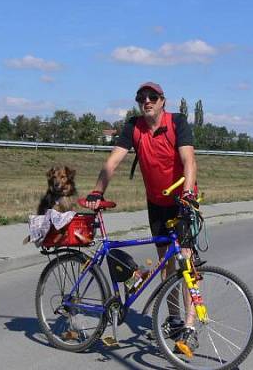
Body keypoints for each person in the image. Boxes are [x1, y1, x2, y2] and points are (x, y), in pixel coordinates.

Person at [84, 81, 199, 349]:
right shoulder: (133, 127)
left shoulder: (177, 122)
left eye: (152, 97)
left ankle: (190, 325)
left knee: (186, 262)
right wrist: (97, 191)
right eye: (141, 98)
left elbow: (189, 160)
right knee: (165, 263)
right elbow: (113, 161)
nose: (146, 101)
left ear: (162, 101)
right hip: (156, 203)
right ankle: (173, 320)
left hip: (182, 200)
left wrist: (188, 194)